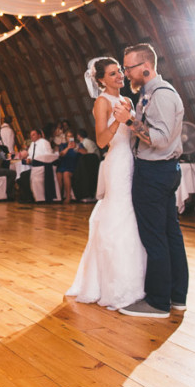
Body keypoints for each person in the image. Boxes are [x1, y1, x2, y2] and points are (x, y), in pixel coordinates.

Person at [113, 43, 187, 319]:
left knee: (155, 237)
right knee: (170, 235)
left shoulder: (162, 95)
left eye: (129, 68)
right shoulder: (149, 93)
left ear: (146, 67)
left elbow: (160, 139)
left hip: (155, 173)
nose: (126, 73)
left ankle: (157, 302)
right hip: (160, 171)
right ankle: (176, 296)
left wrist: (130, 121)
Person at [67, 57, 146, 309]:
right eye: (112, 74)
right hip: (117, 161)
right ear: (100, 80)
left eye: (119, 71)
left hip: (133, 160)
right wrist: (118, 120)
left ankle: (138, 277)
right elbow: (101, 141)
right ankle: (114, 282)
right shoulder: (102, 102)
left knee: (133, 215)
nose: (119, 76)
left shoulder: (128, 100)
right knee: (119, 212)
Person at [55, 129, 85, 204]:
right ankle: (59, 197)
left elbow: (86, 152)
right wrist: (68, 148)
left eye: (71, 136)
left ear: (74, 137)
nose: (69, 138)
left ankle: (68, 196)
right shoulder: (63, 145)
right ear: (66, 138)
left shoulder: (78, 145)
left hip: (73, 166)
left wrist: (76, 148)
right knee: (58, 174)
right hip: (63, 165)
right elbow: (61, 154)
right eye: (68, 136)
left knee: (66, 174)